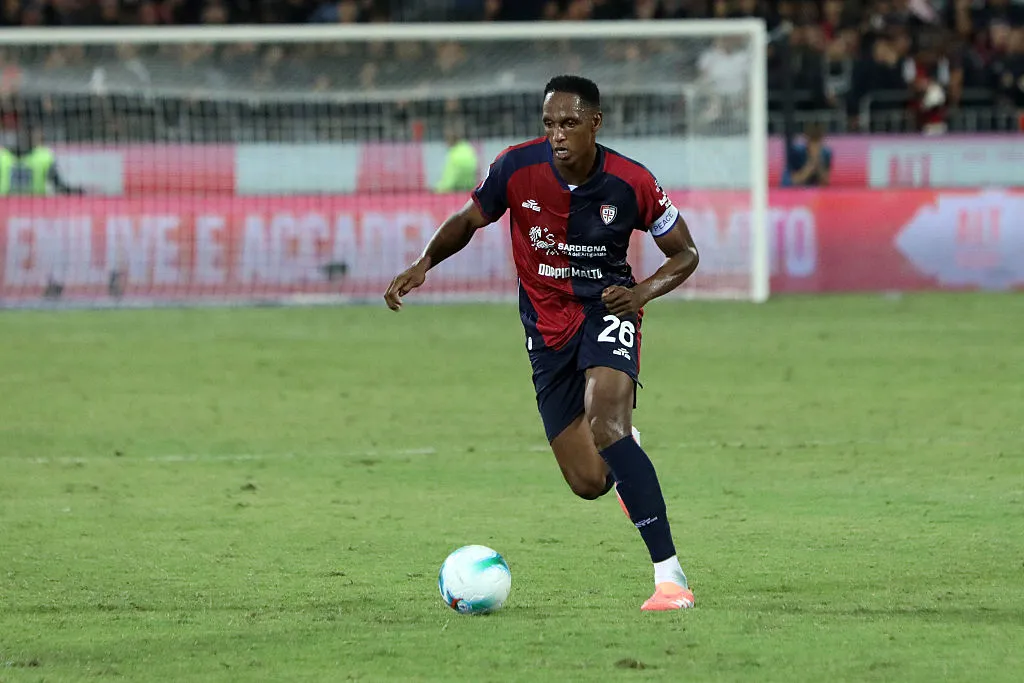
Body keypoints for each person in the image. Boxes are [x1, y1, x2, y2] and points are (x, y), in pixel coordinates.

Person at [385, 75, 700, 611]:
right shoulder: (516, 167)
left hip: (607, 310)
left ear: (595, 124)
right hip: (544, 326)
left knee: (606, 423)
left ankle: (670, 579)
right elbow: (469, 218)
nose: (557, 134)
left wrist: (641, 293)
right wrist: (424, 262)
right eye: (550, 123)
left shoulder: (633, 181)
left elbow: (685, 253)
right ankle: (626, 452)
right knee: (589, 481)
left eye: (569, 123)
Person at [0, 124, 83, 196]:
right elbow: (58, 186)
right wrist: (74, 191)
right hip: (35, 205)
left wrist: (73, 191)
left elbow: (58, 185)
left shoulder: (3, 156)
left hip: (7, 205)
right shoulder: (44, 157)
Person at [783, 122, 832, 187]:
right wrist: (810, 165)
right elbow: (793, 182)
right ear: (807, 140)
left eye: (817, 142)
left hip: (815, 190)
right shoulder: (796, 153)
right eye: (812, 141)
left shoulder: (826, 153)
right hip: (794, 189)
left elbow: (825, 182)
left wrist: (818, 163)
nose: (815, 146)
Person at [434, 123, 479, 193]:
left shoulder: (453, 154)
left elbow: (449, 181)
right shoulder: (468, 148)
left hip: (455, 190)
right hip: (469, 188)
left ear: (449, 140)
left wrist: (437, 189)